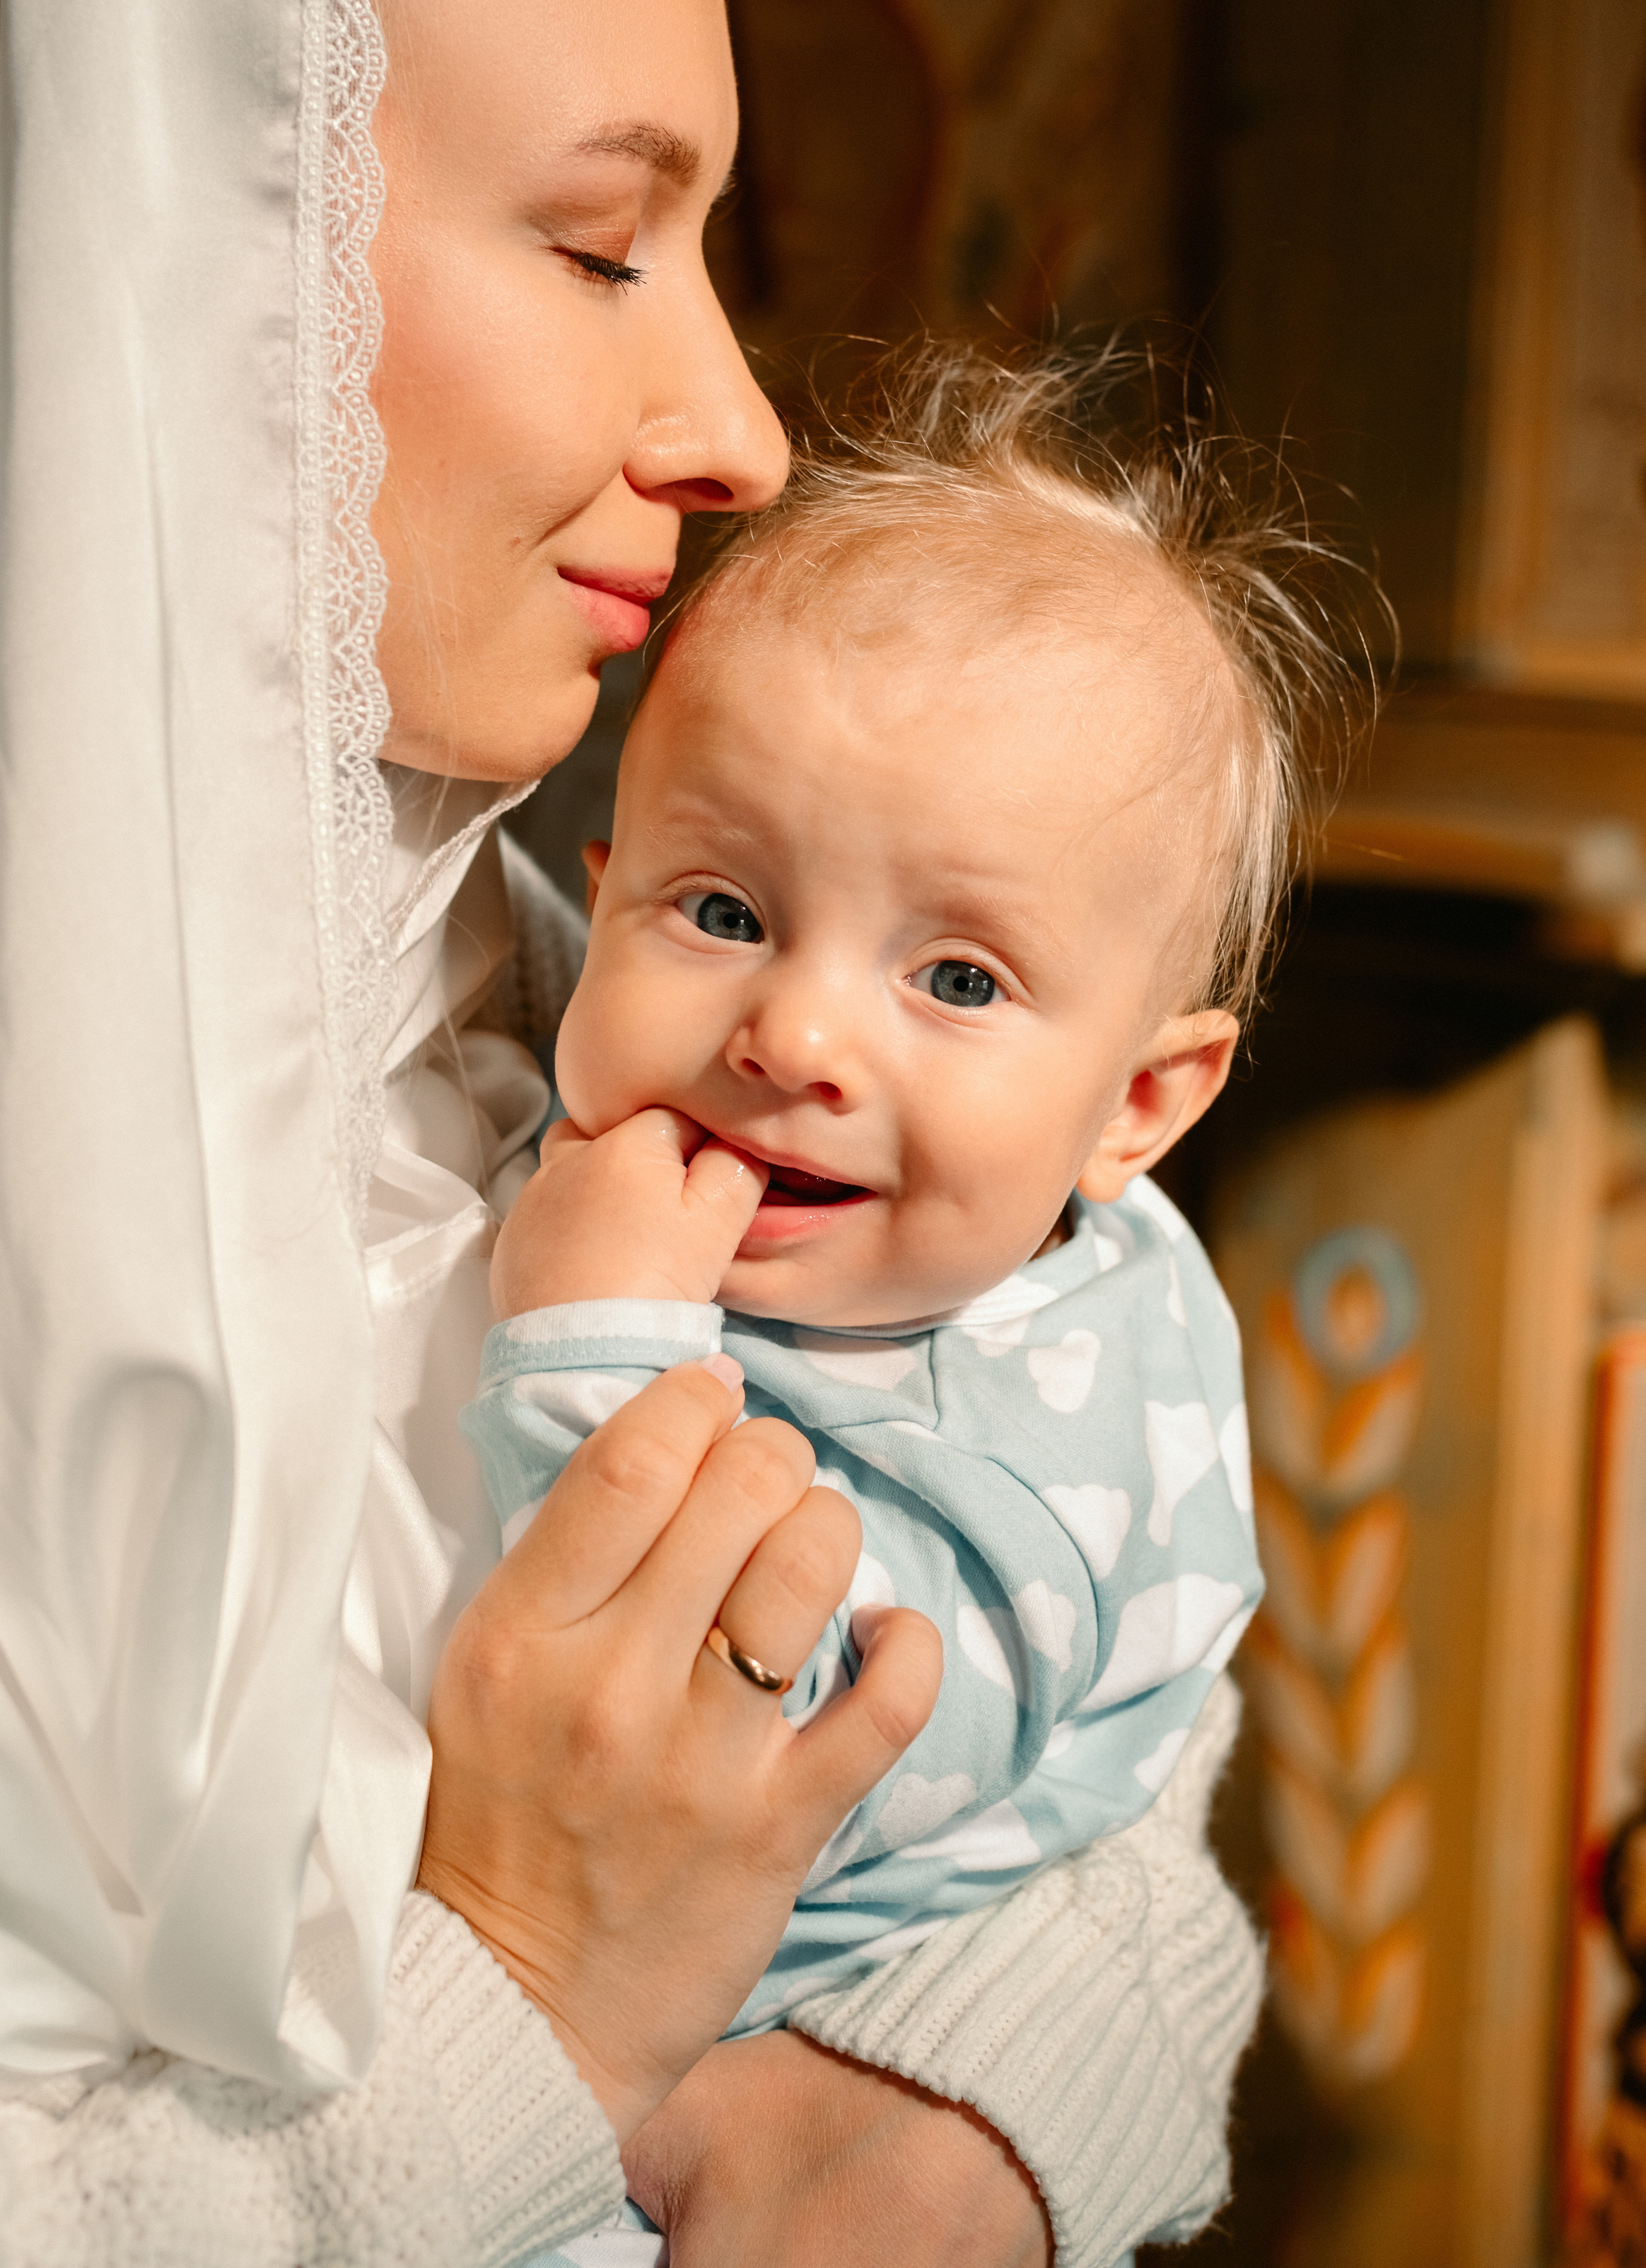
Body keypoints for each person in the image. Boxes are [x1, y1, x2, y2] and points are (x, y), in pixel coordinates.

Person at [0, 0, 1264, 2263]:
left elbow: (1095, 1643)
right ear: (166, 246)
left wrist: (960, 2110)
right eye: (607, 242)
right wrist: (528, 1989)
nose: (740, 426)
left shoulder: (564, 971)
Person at [464, 345, 1360, 2264]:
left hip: (718, 2130)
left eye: (957, 979)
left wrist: (595, 1361)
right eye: (721, 912)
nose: (791, 1034)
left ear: (1136, 1106)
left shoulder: (1028, 1447)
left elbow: (780, 1755)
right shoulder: (854, 1195)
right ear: (600, 899)